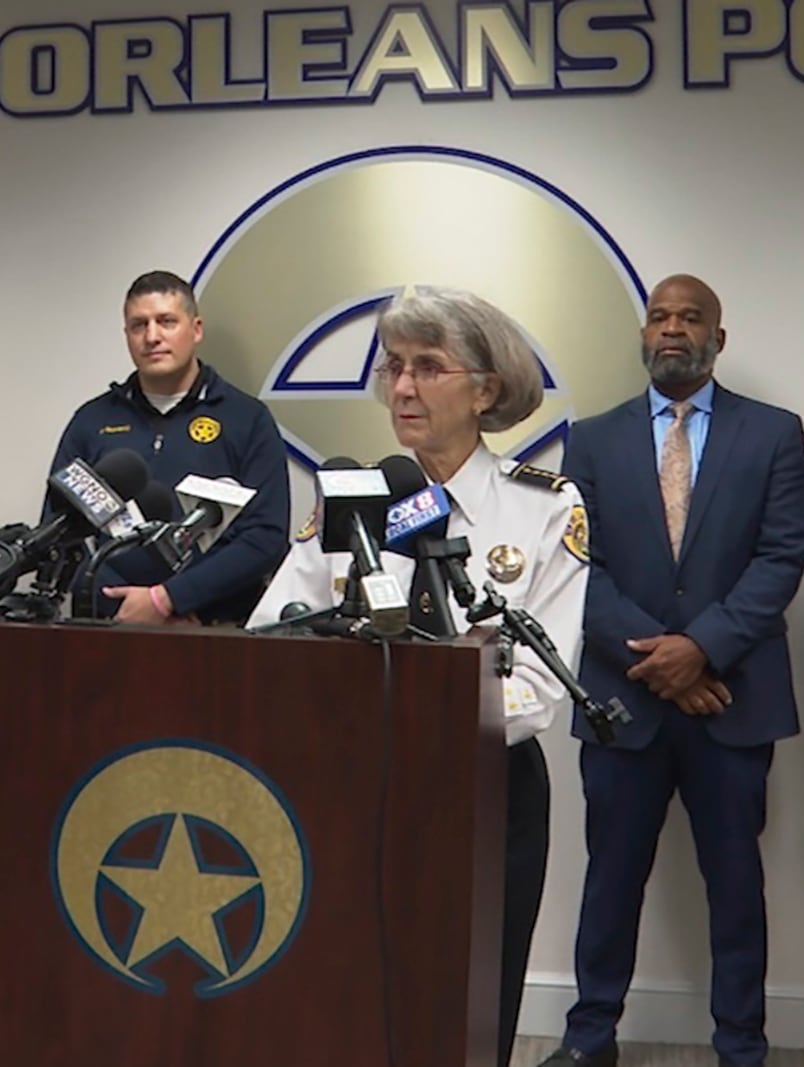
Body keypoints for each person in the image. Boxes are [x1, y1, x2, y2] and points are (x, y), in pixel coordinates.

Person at [247, 285, 587, 1067]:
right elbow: (271, 631)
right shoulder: (352, 502)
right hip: (349, 781)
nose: (401, 387)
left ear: (486, 388)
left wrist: (415, 701)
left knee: (468, 1007)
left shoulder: (542, 509)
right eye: (393, 367)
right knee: (345, 993)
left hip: (483, 786)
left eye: (428, 367)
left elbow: (538, 686)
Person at [543, 275, 804, 1067]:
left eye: (690, 317)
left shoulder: (774, 434)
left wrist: (702, 648)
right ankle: (589, 1037)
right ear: (643, 334)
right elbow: (574, 564)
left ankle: (741, 1047)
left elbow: (781, 554)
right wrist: (661, 661)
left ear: (718, 339)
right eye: (659, 316)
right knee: (609, 882)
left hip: (731, 699)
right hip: (621, 705)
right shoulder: (591, 438)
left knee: (735, 888)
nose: (672, 328)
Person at [46, 270, 289, 625]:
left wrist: (171, 600)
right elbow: (57, 531)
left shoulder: (247, 420)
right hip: (108, 628)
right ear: (126, 335)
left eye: (167, 321)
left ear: (197, 329)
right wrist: (124, 605)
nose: (152, 336)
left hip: (214, 632)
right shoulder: (91, 421)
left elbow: (265, 537)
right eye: (138, 325)